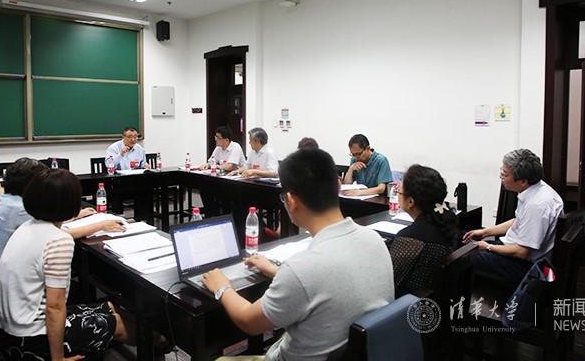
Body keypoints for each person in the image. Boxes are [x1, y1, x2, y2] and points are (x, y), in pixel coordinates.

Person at [201, 149, 394, 361]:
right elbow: (329, 282)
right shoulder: (375, 240)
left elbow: (248, 321)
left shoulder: (302, 267)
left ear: (290, 200)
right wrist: (277, 271)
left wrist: (221, 287)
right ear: (338, 186)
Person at [0, 169, 135, 360]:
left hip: (8, 329)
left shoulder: (27, 226)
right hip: (31, 338)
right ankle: (163, 342)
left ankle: (159, 340)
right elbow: (55, 307)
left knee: (110, 306)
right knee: (117, 322)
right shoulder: (59, 241)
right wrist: (58, 359)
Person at [0, 158, 126, 321]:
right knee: (74, 290)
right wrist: (101, 225)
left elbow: (45, 220)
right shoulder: (21, 209)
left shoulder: (6, 200)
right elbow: (59, 234)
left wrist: (75, 215)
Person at [463, 149, 564, 284]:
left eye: (505, 174)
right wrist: (485, 232)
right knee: (465, 248)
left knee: (462, 260)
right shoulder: (537, 188)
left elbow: (521, 252)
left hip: (526, 267)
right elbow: (519, 221)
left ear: (523, 181)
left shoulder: (536, 205)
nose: (501, 177)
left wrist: (488, 247)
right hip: (515, 250)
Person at [392, 164, 460, 295]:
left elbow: (391, 282)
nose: (397, 193)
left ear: (410, 202)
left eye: (399, 190)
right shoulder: (443, 223)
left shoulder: (411, 238)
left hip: (411, 302)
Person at [105, 126, 154, 222]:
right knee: (117, 194)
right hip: (119, 183)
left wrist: (146, 166)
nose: (133, 140)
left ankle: (142, 220)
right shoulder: (114, 148)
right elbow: (109, 165)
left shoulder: (139, 149)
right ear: (123, 137)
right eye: (130, 137)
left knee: (146, 190)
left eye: (135, 137)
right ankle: (119, 221)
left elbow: (143, 163)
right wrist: (120, 154)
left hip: (135, 182)